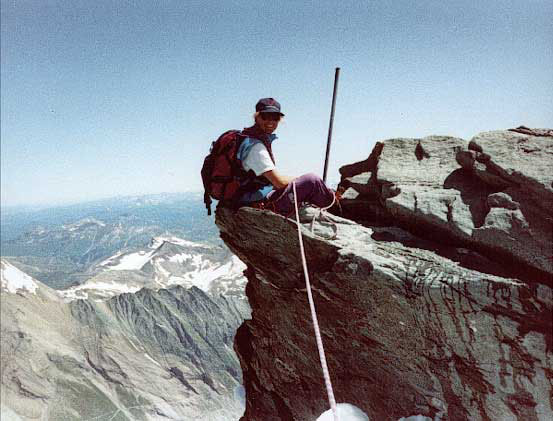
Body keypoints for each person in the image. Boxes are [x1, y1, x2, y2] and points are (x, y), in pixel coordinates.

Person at [236, 98, 336, 216]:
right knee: (312, 181)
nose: (270, 122)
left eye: (275, 118)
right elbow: (278, 182)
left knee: (310, 183)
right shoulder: (255, 146)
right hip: (256, 204)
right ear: (256, 117)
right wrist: (300, 180)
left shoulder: (246, 139)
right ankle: (337, 211)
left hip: (247, 198)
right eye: (265, 116)